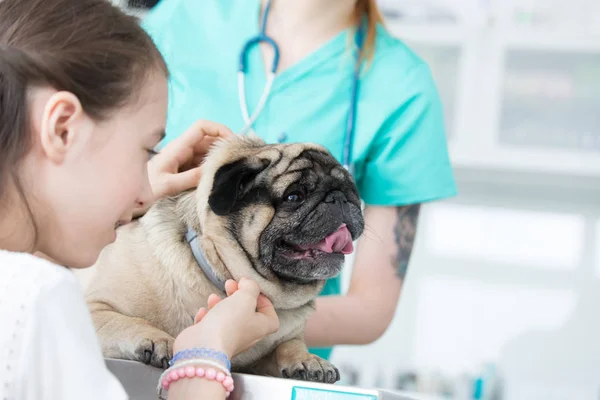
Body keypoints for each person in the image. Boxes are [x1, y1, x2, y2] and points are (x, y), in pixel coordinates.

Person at [142, 0, 458, 359]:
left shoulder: (403, 86)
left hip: (277, 367)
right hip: (141, 330)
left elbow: (370, 309)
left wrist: (244, 326)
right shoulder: (184, 16)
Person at [0, 0, 278, 399]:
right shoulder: (37, 297)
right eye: (145, 150)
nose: (147, 193)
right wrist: (204, 354)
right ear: (63, 129)